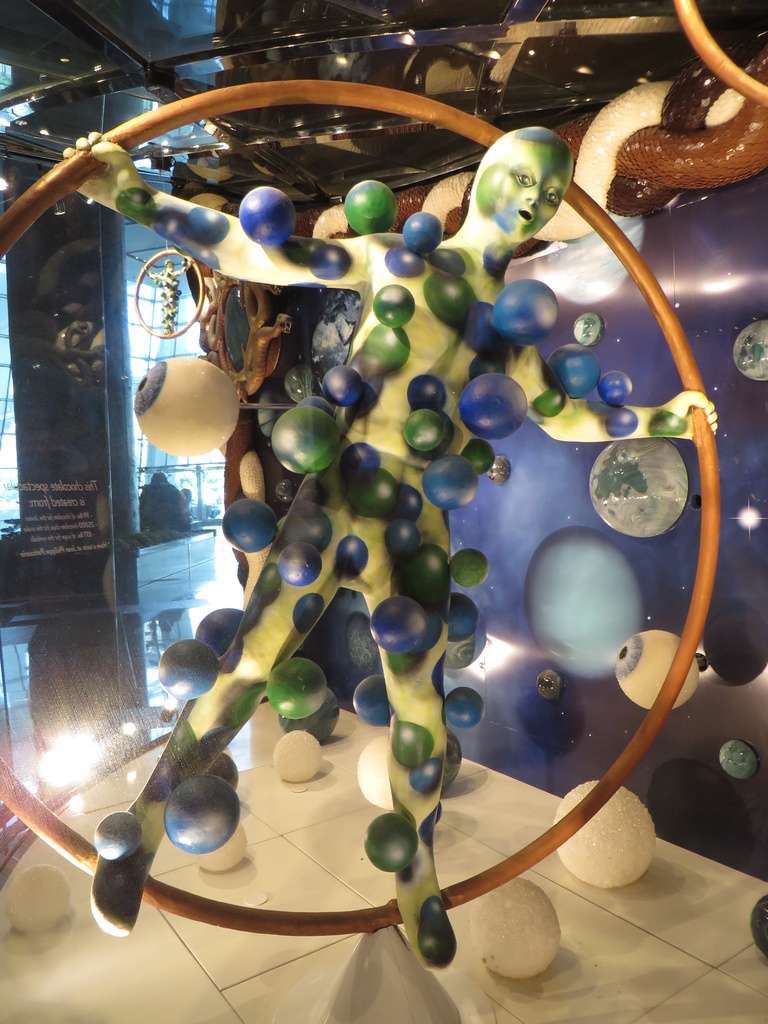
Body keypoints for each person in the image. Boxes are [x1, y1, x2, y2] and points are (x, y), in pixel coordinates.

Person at [67, 129, 716, 966]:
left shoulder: (505, 336)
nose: (533, 198)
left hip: (417, 525)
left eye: (549, 193)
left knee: (421, 708)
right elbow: (256, 251)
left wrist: (663, 419)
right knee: (249, 666)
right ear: (487, 174)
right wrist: (123, 191)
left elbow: (563, 415)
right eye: (524, 176)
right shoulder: (398, 261)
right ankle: (145, 830)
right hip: (342, 490)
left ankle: (417, 882)